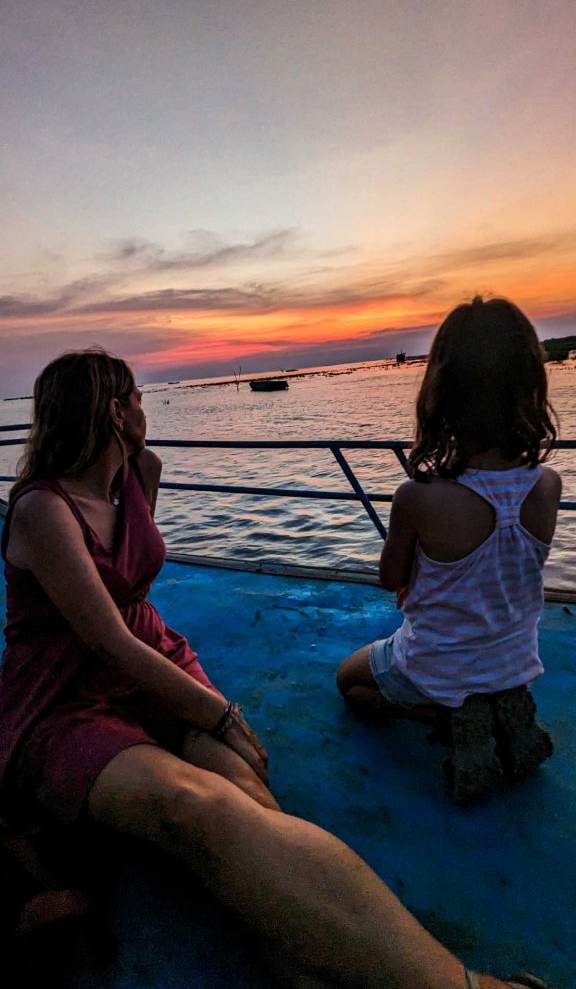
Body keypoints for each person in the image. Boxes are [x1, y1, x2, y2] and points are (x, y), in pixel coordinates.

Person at [0, 347, 549, 989]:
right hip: (65, 695)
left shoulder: (137, 473)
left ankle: (296, 954)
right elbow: (105, 641)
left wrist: (140, 468)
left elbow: (136, 594)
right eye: (139, 398)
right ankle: (463, 985)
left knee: (254, 797)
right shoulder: (44, 509)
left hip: (152, 657)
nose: (148, 408)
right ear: (115, 409)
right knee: (195, 809)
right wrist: (220, 712)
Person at [337, 296, 561, 803]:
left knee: (350, 683)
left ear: (441, 393)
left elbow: (390, 579)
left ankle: (446, 714)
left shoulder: (417, 497)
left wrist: (417, 572)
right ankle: (498, 705)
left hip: (436, 664)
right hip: (514, 661)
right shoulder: (547, 484)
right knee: (480, 669)